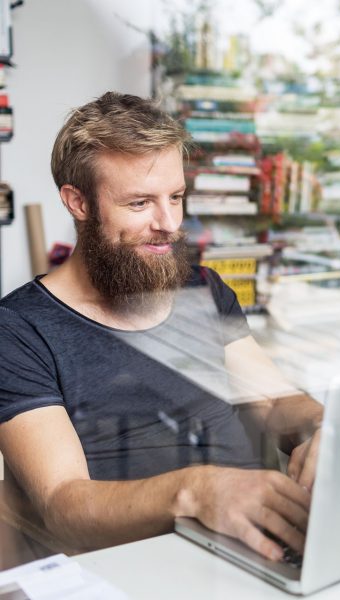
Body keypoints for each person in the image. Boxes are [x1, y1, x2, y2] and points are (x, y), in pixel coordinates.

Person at [0, 92, 322, 562]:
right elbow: (62, 503)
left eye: (175, 197)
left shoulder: (202, 289)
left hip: (255, 553)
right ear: (78, 202)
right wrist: (195, 492)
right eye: (139, 203)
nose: (169, 223)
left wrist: (318, 426)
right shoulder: (20, 329)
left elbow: (274, 402)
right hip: (133, 567)